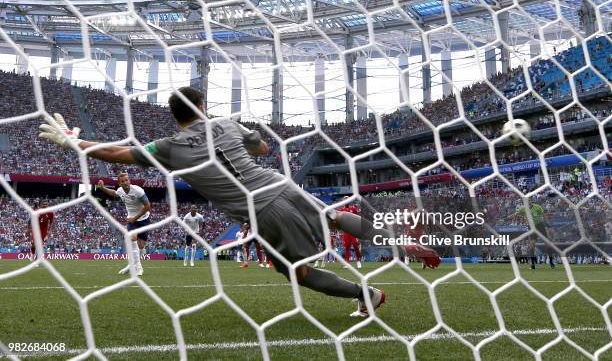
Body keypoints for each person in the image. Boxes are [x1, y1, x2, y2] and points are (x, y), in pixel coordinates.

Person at [38, 86, 429, 317]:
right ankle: (401, 240)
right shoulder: (226, 123)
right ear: (203, 107)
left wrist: (74, 140)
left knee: (299, 274)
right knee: (334, 216)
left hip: (261, 209)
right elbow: (259, 147)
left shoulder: (171, 146)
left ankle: (369, 296)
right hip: (279, 183)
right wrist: (252, 138)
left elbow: (117, 154)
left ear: (175, 117)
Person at [96, 174, 151, 276]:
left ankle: (131, 265)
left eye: (126, 180)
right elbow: (114, 193)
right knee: (132, 238)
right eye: (122, 181)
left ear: (129, 181)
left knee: (141, 246)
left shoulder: (138, 191)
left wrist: (136, 218)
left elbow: (148, 206)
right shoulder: (121, 190)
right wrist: (103, 188)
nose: (125, 182)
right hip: (131, 220)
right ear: (119, 183)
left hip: (144, 219)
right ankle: (138, 267)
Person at [507, 201, 554, 269]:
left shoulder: (538, 207)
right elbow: (515, 214)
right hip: (531, 228)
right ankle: (532, 264)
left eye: (529, 200)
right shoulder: (523, 209)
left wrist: (548, 226)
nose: (528, 202)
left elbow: (544, 216)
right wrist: (505, 219)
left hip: (540, 226)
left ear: (531, 201)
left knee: (547, 244)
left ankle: (551, 262)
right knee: (532, 246)